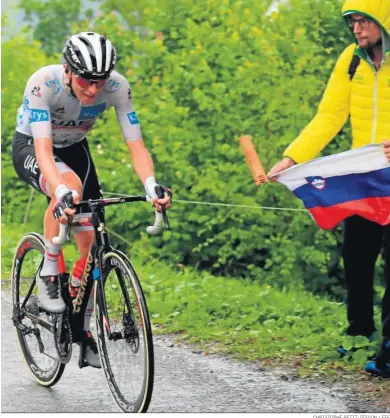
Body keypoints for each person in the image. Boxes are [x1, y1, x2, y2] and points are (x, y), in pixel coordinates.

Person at [12, 32, 171, 367]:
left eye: (100, 81)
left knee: (91, 244)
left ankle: (80, 330)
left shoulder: (118, 88)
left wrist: (151, 184)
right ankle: (48, 269)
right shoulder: (44, 83)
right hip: (33, 146)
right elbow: (43, 150)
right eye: (85, 79)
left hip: (74, 149)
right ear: (68, 70)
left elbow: (135, 145)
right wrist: (58, 190)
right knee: (69, 188)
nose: (93, 89)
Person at [268, 0, 390, 377]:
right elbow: (330, 115)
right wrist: (292, 158)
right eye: (351, 21)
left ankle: (389, 348)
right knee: (356, 258)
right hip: (362, 177)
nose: (356, 28)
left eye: (362, 20)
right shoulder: (350, 60)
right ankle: (359, 331)